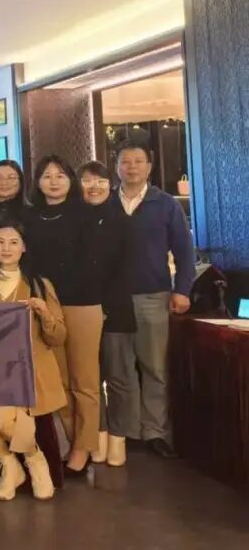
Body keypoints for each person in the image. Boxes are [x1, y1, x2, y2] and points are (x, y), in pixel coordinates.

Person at [114, 142, 195, 459]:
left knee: (155, 368)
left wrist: (182, 289)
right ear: (117, 167)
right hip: (113, 300)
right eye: (125, 161)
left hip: (153, 295)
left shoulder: (165, 204)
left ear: (149, 166)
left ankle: (155, 432)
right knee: (120, 370)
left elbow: (184, 251)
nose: (131, 167)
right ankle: (128, 430)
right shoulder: (106, 201)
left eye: (138, 161)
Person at [0, 221, 63, 501]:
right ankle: (16, 462)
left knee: (16, 413)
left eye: (13, 242)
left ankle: (34, 464)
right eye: (0, 242)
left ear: (24, 248)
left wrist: (45, 313)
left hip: (29, 368)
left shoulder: (40, 285)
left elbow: (59, 336)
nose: (6, 248)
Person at [24, 155, 97, 475]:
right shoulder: (30, 217)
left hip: (82, 301)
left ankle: (84, 447)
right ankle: (70, 440)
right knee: (60, 378)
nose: (53, 181)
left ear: (70, 180)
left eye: (60, 175)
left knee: (85, 381)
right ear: (38, 182)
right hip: (45, 303)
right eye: (46, 176)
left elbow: (95, 261)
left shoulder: (86, 214)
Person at [78, 161, 135, 468]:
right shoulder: (73, 219)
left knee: (119, 377)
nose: (94, 186)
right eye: (87, 181)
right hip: (84, 309)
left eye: (100, 181)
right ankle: (97, 435)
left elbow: (126, 268)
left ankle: (118, 437)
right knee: (91, 377)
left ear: (109, 185)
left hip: (117, 308)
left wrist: (106, 307)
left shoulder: (121, 220)